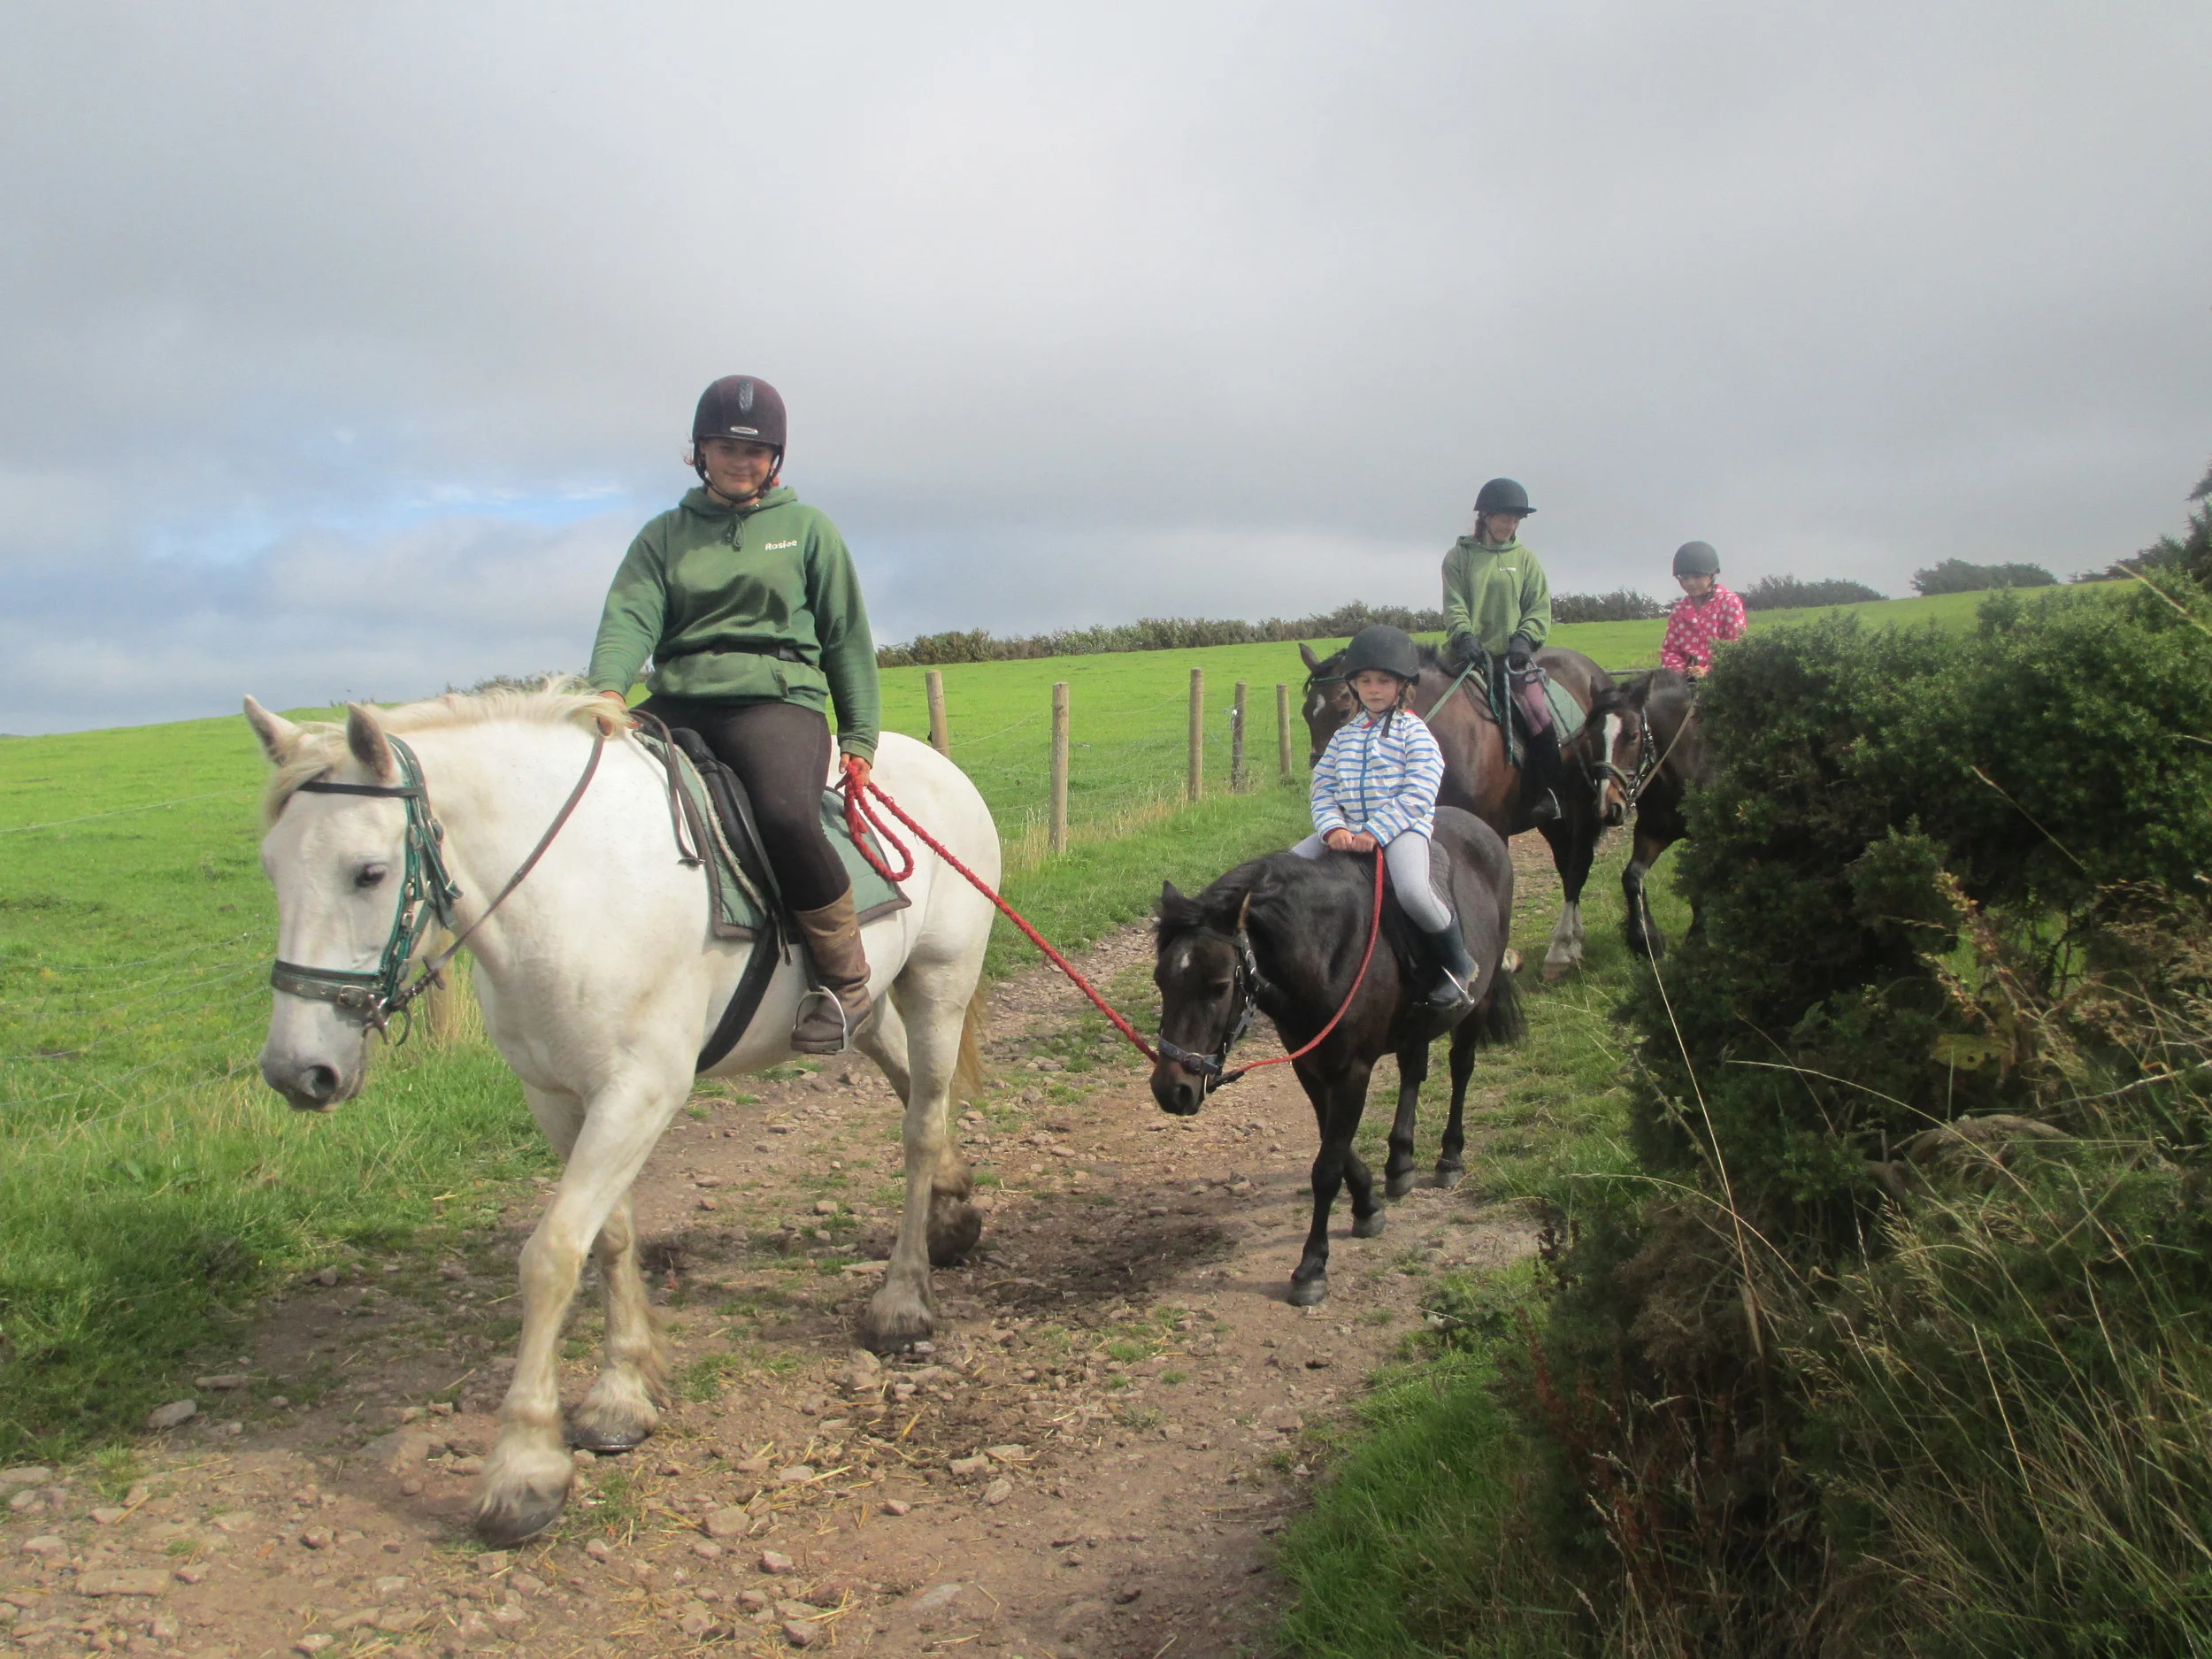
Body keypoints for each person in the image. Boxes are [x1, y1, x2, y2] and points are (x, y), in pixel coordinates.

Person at [587, 374, 881, 1053]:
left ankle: (846, 979)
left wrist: (860, 734)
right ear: (698, 451)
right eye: (725, 447)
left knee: (782, 814)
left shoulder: (808, 530)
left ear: (775, 459)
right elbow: (630, 615)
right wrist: (607, 687)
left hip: (776, 700)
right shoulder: (664, 537)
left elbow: (846, 636)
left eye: (754, 452)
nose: (739, 462)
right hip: (679, 696)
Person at [1294, 625, 1479, 1012]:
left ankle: (1457, 964)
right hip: (1346, 830)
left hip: (1401, 832)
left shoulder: (1416, 734)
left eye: (1383, 681)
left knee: (1413, 891)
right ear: (1354, 685)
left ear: (1402, 686)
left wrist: (1377, 832)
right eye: (1364, 681)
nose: (1373, 689)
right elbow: (1322, 786)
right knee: (1284, 868)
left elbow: (1419, 792)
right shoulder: (1344, 737)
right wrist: (1333, 827)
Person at [1442, 477, 1561, 821]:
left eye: (1516, 520)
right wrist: (1464, 637)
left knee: (1539, 714)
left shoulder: (1525, 560)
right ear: (1486, 516)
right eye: (1505, 518)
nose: (1511, 525)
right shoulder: (1458, 558)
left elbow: (1538, 606)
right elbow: (1454, 604)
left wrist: (1525, 639)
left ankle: (1550, 792)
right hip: (1467, 656)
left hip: (1512, 658)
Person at [1659, 541, 1747, 678]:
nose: (1690, 583)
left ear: (1711, 575)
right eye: (1685, 578)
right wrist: (1681, 672)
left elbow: (1736, 647)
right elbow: (1670, 650)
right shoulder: (1679, 610)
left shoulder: (1729, 603)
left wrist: (1709, 671)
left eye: (1697, 576)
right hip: (1685, 681)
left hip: (1722, 679)